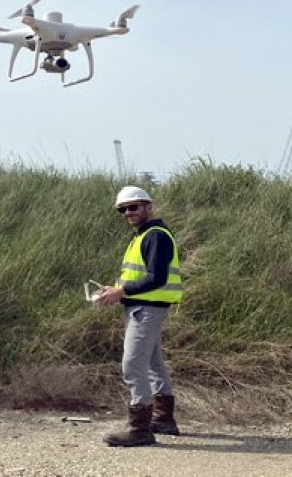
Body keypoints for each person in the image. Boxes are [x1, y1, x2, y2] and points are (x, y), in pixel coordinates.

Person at [95, 185, 182, 447]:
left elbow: (157, 278)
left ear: (148, 206)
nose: (127, 213)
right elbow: (142, 276)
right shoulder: (144, 235)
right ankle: (163, 419)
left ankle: (140, 429)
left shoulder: (155, 235)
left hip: (147, 308)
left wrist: (121, 291)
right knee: (154, 364)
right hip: (144, 306)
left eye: (133, 207)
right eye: (123, 209)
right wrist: (116, 291)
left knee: (132, 365)